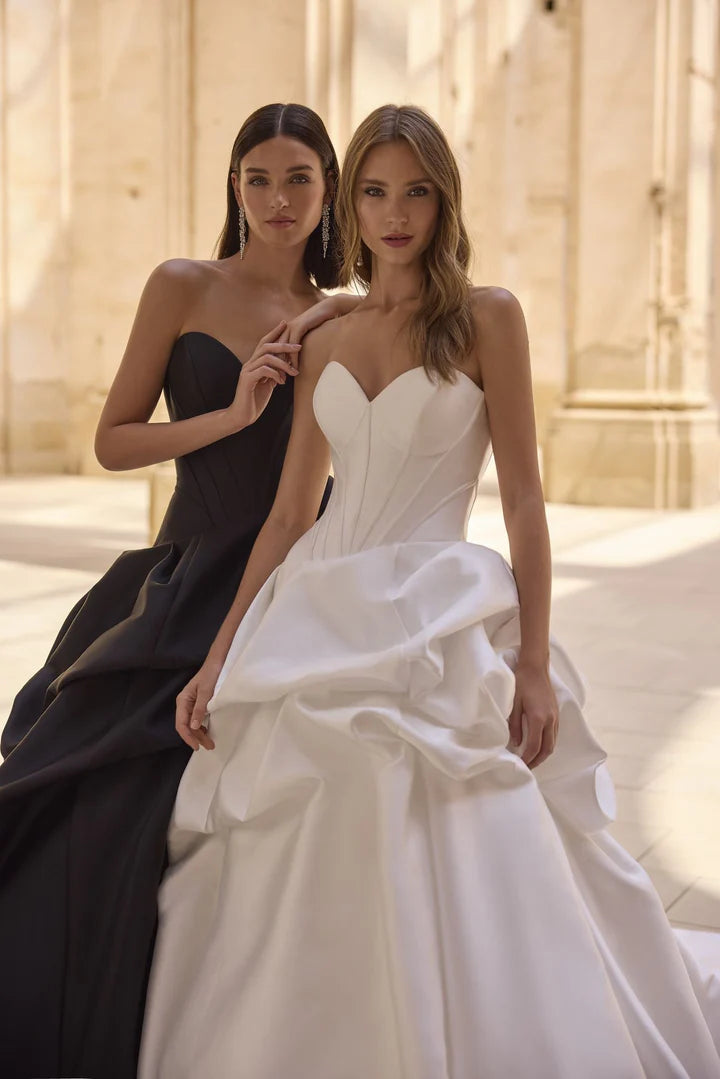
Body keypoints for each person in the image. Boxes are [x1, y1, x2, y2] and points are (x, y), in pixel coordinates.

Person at [140, 105, 720, 1078]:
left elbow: (527, 504)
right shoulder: (325, 334)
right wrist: (220, 653)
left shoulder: (487, 316)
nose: (394, 212)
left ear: (443, 198)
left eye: (416, 190)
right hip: (318, 603)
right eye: (374, 190)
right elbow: (289, 518)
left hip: (434, 603)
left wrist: (532, 664)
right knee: (297, 828)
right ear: (350, 202)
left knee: (442, 816)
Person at [0, 102, 358, 1079]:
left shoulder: (347, 310)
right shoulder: (183, 286)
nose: (277, 200)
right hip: (185, 572)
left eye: (299, 179)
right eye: (257, 178)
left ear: (329, 190)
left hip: (296, 581)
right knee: (102, 796)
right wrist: (236, 412)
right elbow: (113, 440)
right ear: (233, 186)